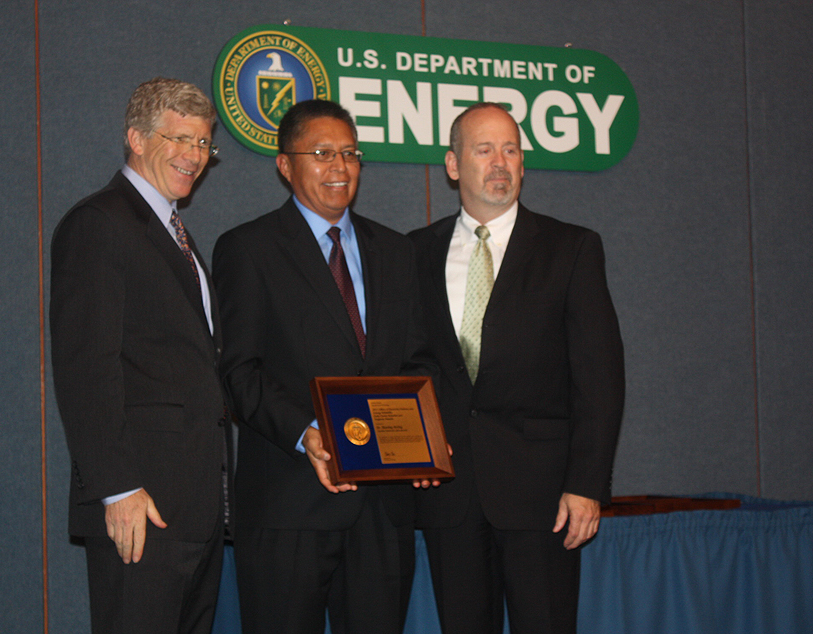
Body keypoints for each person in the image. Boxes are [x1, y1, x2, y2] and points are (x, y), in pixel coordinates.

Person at [212, 99, 436, 634]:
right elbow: (239, 372)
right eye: (321, 153)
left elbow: (417, 359)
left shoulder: (396, 251)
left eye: (350, 153)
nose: (340, 167)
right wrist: (308, 433)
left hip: (382, 514)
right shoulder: (248, 249)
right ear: (284, 165)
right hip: (288, 507)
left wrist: (426, 433)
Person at [408, 102, 625, 634]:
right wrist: (409, 448)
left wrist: (586, 484)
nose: (500, 161)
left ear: (523, 164)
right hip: (449, 496)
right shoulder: (412, 253)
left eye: (511, 149)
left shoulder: (571, 249)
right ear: (454, 165)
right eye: (484, 149)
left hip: (544, 500)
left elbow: (600, 377)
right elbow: (406, 366)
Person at [50, 77, 229, 634]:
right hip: (141, 509)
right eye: (177, 139)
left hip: (193, 508)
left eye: (202, 143)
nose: (193, 156)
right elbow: (87, 367)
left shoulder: (174, 230)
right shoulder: (100, 223)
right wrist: (119, 487)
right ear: (135, 137)